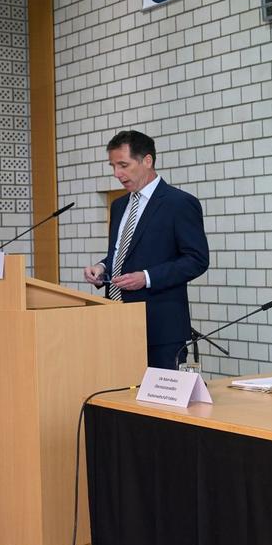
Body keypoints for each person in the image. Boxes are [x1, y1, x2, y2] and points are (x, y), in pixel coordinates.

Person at [82, 130, 208, 370]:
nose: (117, 174)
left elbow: (196, 260)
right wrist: (102, 267)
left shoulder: (179, 203)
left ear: (147, 161)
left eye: (123, 165)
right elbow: (123, 253)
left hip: (160, 328)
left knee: (158, 395)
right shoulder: (119, 205)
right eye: (113, 166)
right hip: (116, 322)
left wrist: (147, 277)